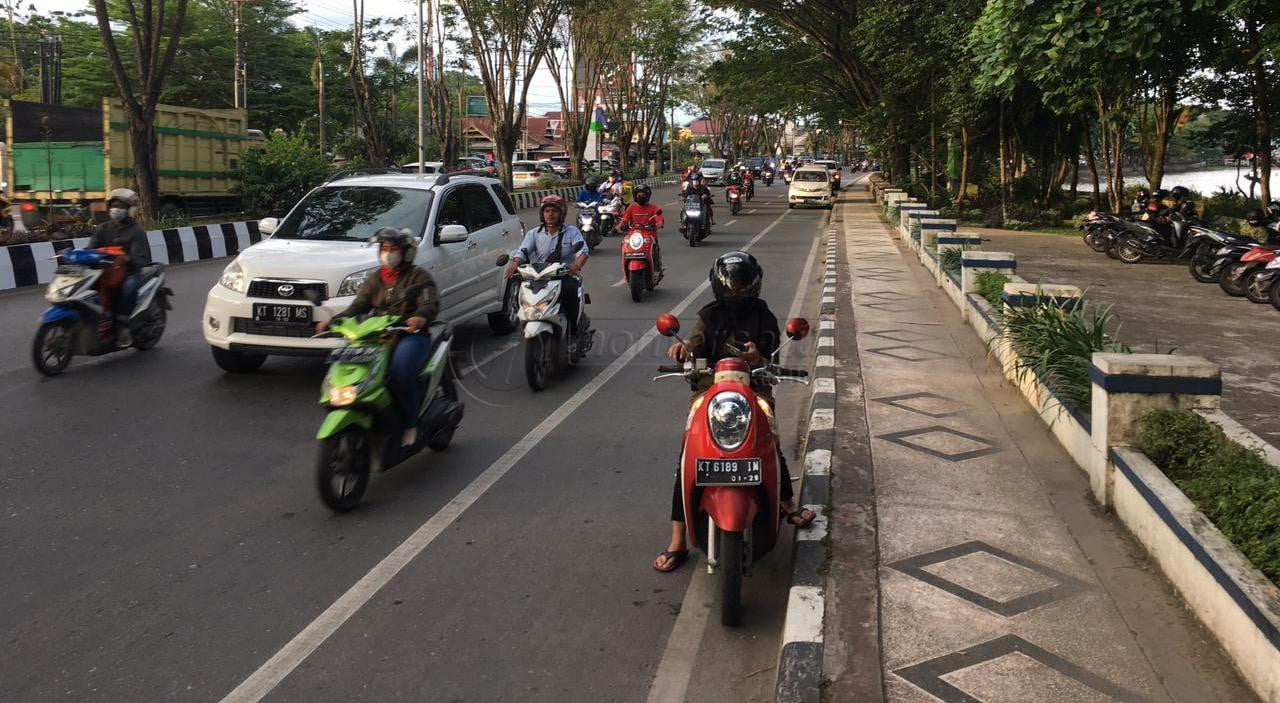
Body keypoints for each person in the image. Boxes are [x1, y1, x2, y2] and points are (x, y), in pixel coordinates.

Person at [653, 252, 815, 573]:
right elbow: (695, 345)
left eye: (742, 284)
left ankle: (786, 503)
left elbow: (770, 351)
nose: (737, 291)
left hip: (754, 388)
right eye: (732, 284)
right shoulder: (708, 316)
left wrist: (759, 358)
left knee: (770, 441)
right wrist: (684, 349)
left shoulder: (764, 317)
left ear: (753, 284)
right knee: (688, 455)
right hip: (710, 390)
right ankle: (677, 540)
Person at [315, 228, 441, 447]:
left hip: (409, 335)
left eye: (394, 249)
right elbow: (358, 306)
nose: (388, 253)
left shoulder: (418, 276)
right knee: (351, 369)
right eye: (384, 249)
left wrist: (419, 318)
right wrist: (334, 321)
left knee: (399, 371)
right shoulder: (376, 278)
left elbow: (430, 304)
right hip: (377, 335)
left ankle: (411, 423)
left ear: (406, 252)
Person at [505, 195, 592, 337]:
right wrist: (514, 265)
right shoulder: (534, 234)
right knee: (521, 293)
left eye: (554, 211)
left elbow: (583, 252)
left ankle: (573, 332)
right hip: (540, 277)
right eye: (547, 211)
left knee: (570, 293)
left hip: (564, 276)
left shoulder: (571, 232)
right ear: (542, 214)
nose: (550, 214)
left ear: (561, 214)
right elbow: (523, 251)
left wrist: (576, 266)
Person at [88, 188, 151, 348]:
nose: (117, 209)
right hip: (105, 271)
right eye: (114, 205)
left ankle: (122, 326)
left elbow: (141, 258)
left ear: (129, 209)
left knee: (129, 287)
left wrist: (126, 259)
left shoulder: (136, 231)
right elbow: (91, 249)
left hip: (129, 272)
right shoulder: (103, 228)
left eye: (121, 206)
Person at [617, 184, 665, 277]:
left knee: (654, 248)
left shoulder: (653, 207)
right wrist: (619, 226)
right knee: (624, 244)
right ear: (635, 195)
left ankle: (656, 267)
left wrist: (659, 223)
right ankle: (625, 266)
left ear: (647, 196)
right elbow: (624, 219)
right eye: (639, 195)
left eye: (643, 195)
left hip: (649, 234)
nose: (641, 197)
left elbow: (659, 217)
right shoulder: (631, 207)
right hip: (634, 235)